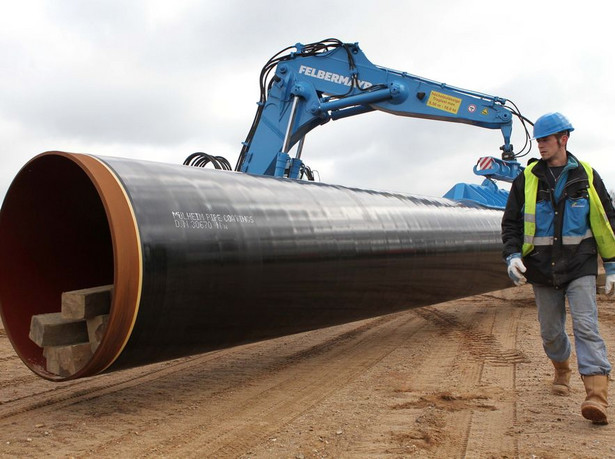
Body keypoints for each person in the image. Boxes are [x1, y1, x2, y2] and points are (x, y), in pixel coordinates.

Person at [501, 112, 615, 425]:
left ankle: (596, 397)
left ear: (563, 139)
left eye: (546, 139)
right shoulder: (527, 179)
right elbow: (511, 221)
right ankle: (561, 367)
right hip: (541, 268)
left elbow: (607, 219)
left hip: (580, 264)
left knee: (586, 326)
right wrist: (511, 254)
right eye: (538, 140)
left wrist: (613, 263)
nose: (540, 145)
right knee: (551, 333)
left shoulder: (586, 176)